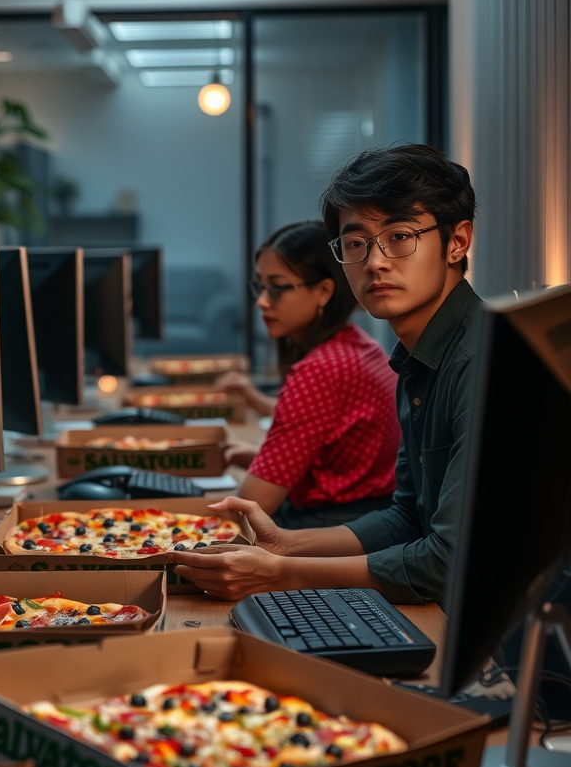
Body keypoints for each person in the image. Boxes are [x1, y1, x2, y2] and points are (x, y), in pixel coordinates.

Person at [174, 144, 478, 605]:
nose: (375, 262)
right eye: (356, 244)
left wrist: (280, 573)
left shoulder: (481, 363)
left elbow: (448, 561)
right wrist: (285, 543)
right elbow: (407, 518)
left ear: (457, 242)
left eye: (400, 236)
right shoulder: (412, 359)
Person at [215, 221, 400, 528]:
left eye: (277, 287)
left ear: (324, 291)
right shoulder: (357, 344)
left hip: (328, 524)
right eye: (260, 286)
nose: (261, 301)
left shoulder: (320, 371)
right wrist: (259, 458)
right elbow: (326, 428)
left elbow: (248, 508)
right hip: (369, 517)